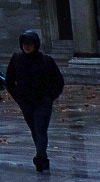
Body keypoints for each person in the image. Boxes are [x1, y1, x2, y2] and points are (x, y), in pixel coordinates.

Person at [6, 29, 64, 171]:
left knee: (40, 128)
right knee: (34, 129)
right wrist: (17, 96)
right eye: (24, 43)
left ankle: (41, 156)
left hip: (42, 101)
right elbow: (9, 81)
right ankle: (42, 156)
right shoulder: (16, 60)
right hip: (26, 102)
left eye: (30, 43)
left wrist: (50, 97)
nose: (27, 46)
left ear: (35, 44)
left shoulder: (46, 60)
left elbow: (58, 81)